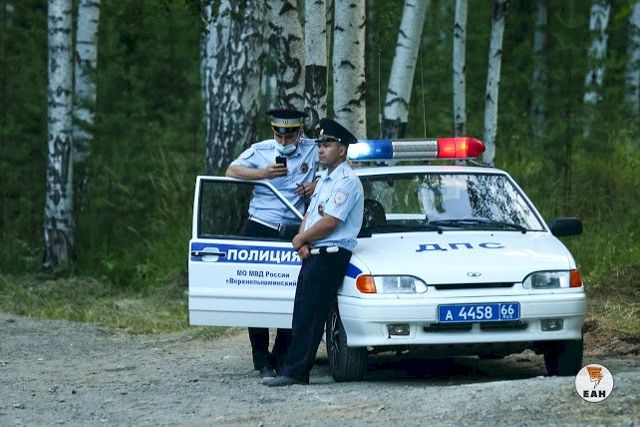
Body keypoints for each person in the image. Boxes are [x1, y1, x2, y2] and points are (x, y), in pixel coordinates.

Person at [264, 118, 364, 387]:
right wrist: (304, 241)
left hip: (332, 254)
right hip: (315, 253)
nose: (320, 149)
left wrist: (301, 238)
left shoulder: (347, 181)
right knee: (301, 313)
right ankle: (289, 368)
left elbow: (331, 222)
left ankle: (296, 373)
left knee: (312, 315)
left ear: (341, 150)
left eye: (327, 145)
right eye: (319, 144)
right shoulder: (324, 179)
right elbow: (310, 214)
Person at [226, 108, 319, 379]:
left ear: (299, 132)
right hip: (261, 224)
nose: (284, 141)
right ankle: (260, 356)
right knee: (255, 290)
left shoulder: (312, 149)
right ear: (273, 131)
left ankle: (281, 352)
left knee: (293, 290)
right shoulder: (261, 150)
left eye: (290, 136)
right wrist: (263, 173)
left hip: (295, 229)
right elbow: (231, 171)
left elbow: (342, 169)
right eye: (279, 135)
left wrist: (316, 185)